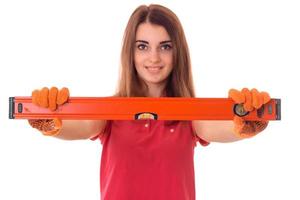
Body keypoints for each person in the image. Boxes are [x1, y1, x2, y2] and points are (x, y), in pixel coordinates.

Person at [28, 4, 271, 200]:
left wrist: (246, 120)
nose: (154, 57)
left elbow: (219, 128)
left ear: (178, 53)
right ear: (130, 53)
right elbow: (80, 127)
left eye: (165, 47)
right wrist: (49, 119)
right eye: (142, 46)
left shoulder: (190, 112)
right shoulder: (110, 110)